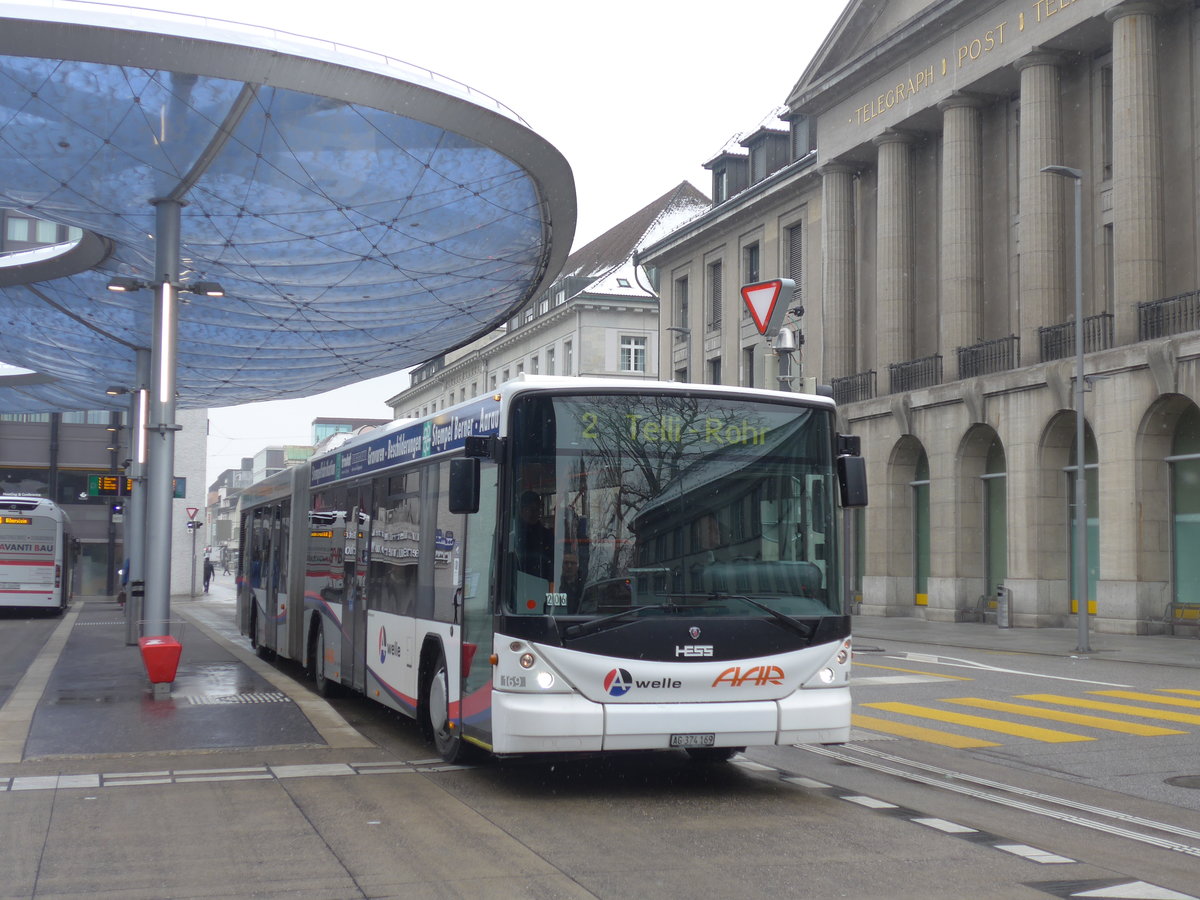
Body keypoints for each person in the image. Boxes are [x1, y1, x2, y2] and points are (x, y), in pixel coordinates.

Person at [517, 491, 554, 579]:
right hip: (519, 581)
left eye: (537, 509)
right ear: (521, 510)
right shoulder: (513, 532)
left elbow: (553, 560)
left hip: (543, 582)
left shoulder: (546, 534)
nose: (534, 513)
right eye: (530, 509)